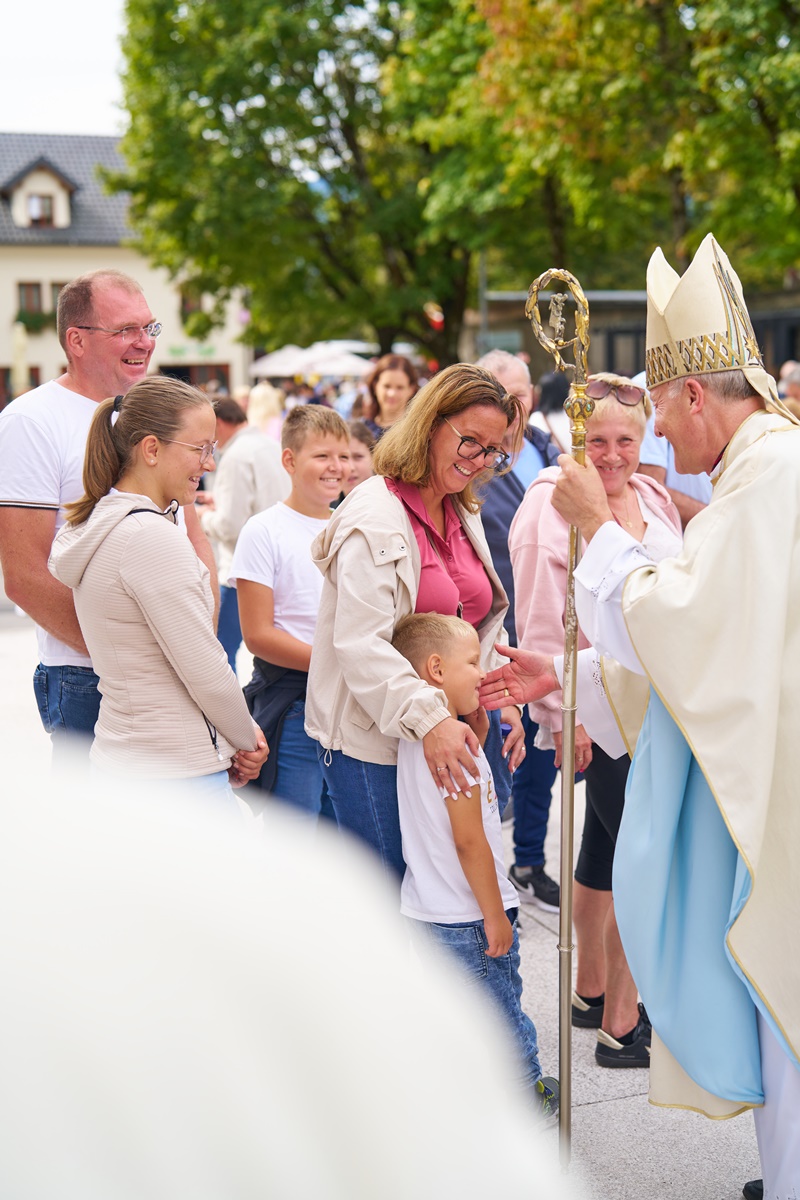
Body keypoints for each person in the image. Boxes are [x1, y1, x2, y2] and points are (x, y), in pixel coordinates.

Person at [480, 235, 800, 1197]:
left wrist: (596, 526)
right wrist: (562, 670)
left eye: (658, 407)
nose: (656, 428)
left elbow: (684, 626)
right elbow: (709, 645)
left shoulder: (768, 480)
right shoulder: (758, 474)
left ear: (695, 393)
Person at [510, 371, 682, 1066]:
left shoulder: (653, 497)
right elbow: (538, 619)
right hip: (596, 708)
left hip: (658, 705)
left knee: (605, 849)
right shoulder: (548, 504)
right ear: (574, 439)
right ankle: (623, 1021)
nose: (612, 456)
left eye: (626, 442)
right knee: (648, 858)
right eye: (599, 441)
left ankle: (590, 990)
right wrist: (563, 719)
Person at [305, 363, 527, 880]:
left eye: (493, 451)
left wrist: (501, 696)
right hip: (378, 744)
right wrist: (432, 721)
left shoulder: (461, 508)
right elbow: (362, 645)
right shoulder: (374, 515)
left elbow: (478, 620)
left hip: (457, 732)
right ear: (429, 424)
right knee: (397, 901)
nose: (479, 461)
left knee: (464, 894)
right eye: (469, 442)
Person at [0, 270, 217, 762]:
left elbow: (193, 538)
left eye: (149, 328)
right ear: (76, 340)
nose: (145, 342)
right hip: (88, 677)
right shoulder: (30, 421)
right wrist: (135, 656)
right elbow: (25, 576)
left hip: (176, 670)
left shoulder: (152, 412)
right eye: (126, 330)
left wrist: (195, 651)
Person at [48, 377, 267, 798]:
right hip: (175, 774)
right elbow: (205, 669)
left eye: (212, 449)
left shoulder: (107, 523)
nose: (209, 464)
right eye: (200, 448)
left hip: (131, 761)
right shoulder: (149, 538)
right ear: (151, 449)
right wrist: (247, 739)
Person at [392, 612, 558, 1117]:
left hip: (429, 910)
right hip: (470, 917)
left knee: (458, 1016)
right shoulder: (455, 752)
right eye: (472, 663)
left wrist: (479, 725)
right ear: (436, 669)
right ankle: (526, 1099)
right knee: (500, 1014)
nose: (483, 673)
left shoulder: (421, 737)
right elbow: (469, 841)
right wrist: (494, 914)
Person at [232, 405, 351, 818]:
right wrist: (338, 664)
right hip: (295, 702)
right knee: (298, 838)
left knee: (346, 839)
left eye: (344, 456)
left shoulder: (352, 526)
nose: (336, 466)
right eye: (322, 455)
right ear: (289, 460)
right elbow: (258, 635)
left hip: (353, 707)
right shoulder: (264, 530)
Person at [476, 349, 561, 911]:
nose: (517, 403)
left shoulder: (549, 448)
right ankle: (500, 870)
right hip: (497, 626)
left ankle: (528, 858)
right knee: (508, 750)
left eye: (523, 391)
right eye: (505, 392)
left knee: (544, 752)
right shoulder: (474, 460)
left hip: (549, 620)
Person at [196, 398, 289, 669]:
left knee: (219, 654)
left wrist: (201, 517)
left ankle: (228, 701)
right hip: (278, 564)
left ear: (218, 423)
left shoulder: (236, 456)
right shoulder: (270, 445)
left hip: (242, 570)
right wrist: (218, 501)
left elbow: (229, 526)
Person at [634, 370, 713, 527]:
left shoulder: (716, 376)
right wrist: (719, 522)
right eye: (656, 405)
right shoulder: (646, 386)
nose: (657, 431)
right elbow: (652, 488)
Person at [360, 353, 420, 441]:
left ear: (411, 389)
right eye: (387, 386)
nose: (392, 393)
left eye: (400, 387)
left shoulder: (418, 433)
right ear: (375, 386)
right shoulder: (361, 430)